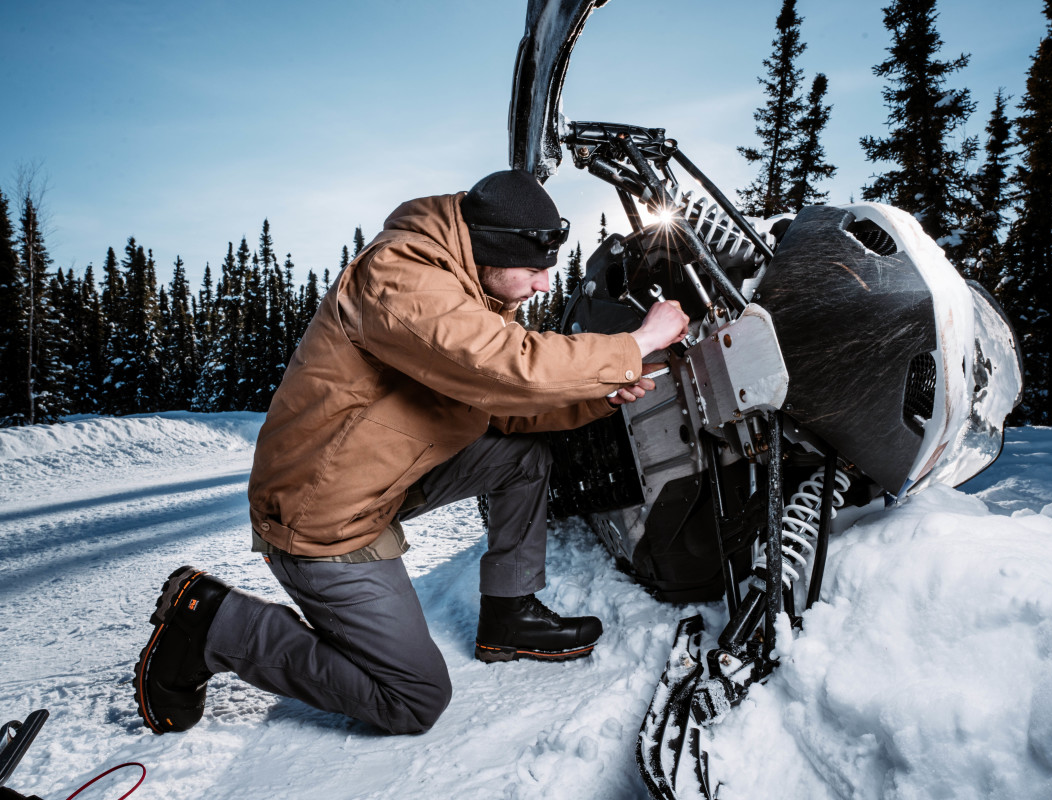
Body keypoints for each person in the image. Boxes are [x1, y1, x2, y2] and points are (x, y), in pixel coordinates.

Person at [133, 169, 690, 736]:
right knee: (413, 699)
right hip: (323, 515)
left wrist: (602, 394)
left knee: (522, 459)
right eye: (534, 270)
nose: (544, 284)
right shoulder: (400, 277)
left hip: (377, 480)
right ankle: (213, 624)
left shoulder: (467, 287)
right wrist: (636, 343)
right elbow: (507, 364)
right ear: (494, 250)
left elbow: (502, 406)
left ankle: (510, 615)